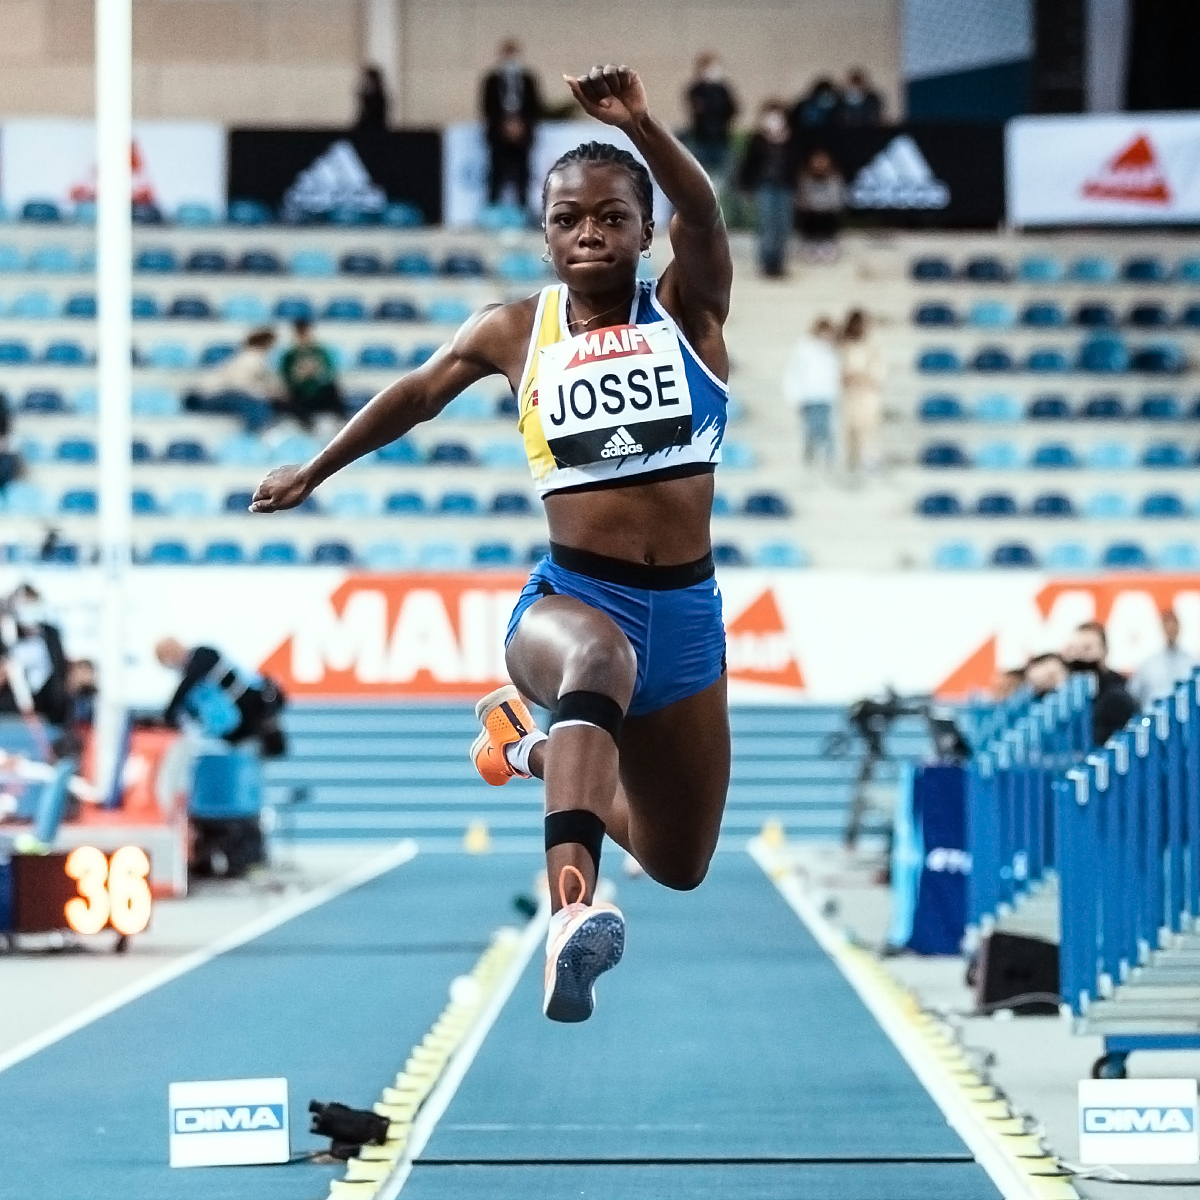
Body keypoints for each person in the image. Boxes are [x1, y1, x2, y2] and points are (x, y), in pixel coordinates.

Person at [252, 64, 733, 1025]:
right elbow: (418, 394)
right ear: (546, 232)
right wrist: (317, 468)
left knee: (681, 863)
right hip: (570, 603)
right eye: (567, 220)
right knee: (598, 657)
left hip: (687, 613)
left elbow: (704, 209)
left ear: (643, 233)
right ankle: (570, 917)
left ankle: (526, 749)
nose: (587, 233)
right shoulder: (517, 329)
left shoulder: (688, 312)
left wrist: (641, 124)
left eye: (609, 218)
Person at [481, 39, 543, 209]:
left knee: (523, 171)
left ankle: (523, 208)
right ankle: (492, 209)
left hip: (523, 131)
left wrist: (520, 125)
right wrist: (505, 125)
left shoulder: (528, 79)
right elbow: (487, 107)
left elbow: (535, 106)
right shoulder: (492, 80)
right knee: (496, 171)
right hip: (499, 131)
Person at [184, 327, 280, 435]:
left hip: (217, 395)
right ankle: (260, 430)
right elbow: (238, 385)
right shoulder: (248, 358)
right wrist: (264, 392)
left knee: (255, 399)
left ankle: (262, 428)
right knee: (248, 400)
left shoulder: (252, 359)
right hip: (204, 398)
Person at [737, 101, 795, 277]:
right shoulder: (757, 139)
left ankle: (779, 264)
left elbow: (795, 164)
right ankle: (766, 264)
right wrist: (746, 186)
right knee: (767, 225)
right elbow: (748, 164)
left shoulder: (792, 139)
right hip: (764, 186)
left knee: (783, 226)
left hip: (785, 187)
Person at [1064, 621, 1139, 746]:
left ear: (1104, 650)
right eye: (1075, 649)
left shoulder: (1117, 697)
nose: (1079, 655)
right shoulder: (1065, 695)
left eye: (1087, 648)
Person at [782, 317, 840, 469]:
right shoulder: (805, 348)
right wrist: (795, 396)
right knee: (811, 431)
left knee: (826, 430)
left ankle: (829, 461)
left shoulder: (832, 351)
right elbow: (794, 373)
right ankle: (810, 459)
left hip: (826, 397)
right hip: (810, 397)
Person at [279, 319, 348, 431]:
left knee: (332, 389)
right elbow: (286, 378)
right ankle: (307, 424)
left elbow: (329, 373)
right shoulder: (289, 355)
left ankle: (341, 420)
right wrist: (300, 376)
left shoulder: (320, 352)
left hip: (319, 391)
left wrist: (315, 373)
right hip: (300, 393)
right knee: (287, 398)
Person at [839, 309, 884, 478]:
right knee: (850, 430)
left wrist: (860, 378)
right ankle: (852, 462)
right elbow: (843, 374)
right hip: (850, 396)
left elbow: (877, 375)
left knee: (869, 428)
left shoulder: (873, 345)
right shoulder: (845, 346)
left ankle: (871, 461)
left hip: (867, 395)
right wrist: (851, 377)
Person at [684, 53, 738, 186]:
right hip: (702, 138)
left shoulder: (723, 89)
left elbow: (733, 108)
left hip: (721, 138)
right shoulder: (696, 89)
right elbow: (698, 109)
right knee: (698, 176)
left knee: (730, 176)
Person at [1130, 609, 1195, 709]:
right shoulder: (1148, 665)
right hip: (1153, 718)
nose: (1170, 630)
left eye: (1173, 626)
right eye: (1167, 626)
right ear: (1162, 628)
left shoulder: (1192, 663)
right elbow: (1134, 695)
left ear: (1179, 628)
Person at [794, 148, 846, 263]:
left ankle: (828, 244)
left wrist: (823, 205)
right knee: (806, 213)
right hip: (810, 212)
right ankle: (809, 243)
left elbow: (837, 200)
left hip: (827, 212)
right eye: (816, 161)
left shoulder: (834, 178)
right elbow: (802, 198)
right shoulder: (805, 178)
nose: (819, 164)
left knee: (829, 214)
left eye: (823, 161)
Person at [354, 64, 389, 132]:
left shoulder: (378, 95)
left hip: (375, 125)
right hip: (366, 124)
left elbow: (376, 111)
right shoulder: (368, 94)